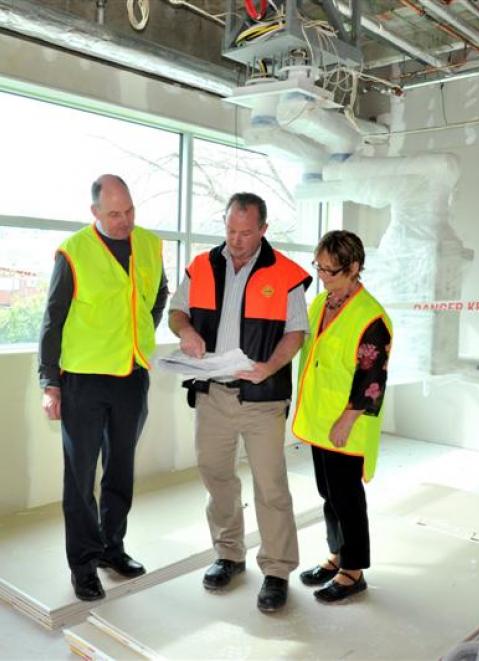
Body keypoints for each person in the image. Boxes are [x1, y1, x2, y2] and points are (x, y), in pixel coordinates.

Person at [168, 192, 312, 613]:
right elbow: (177, 311)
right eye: (231, 230)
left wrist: (269, 367)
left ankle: (277, 569)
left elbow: (296, 332)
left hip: (262, 400)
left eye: (246, 232)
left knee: (270, 486)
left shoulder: (285, 274)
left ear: (263, 230)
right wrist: (187, 332)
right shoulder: (203, 265)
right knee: (216, 475)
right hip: (213, 393)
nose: (237, 239)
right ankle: (229, 554)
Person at [39, 174, 168, 602]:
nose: (124, 220)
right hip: (83, 381)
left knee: (120, 470)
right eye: (114, 213)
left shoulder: (149, 244)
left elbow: (158, 292)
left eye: (130, 210)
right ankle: (83, 564)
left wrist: (142, 330)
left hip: (132, 376)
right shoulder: (73, 252)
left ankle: (113, 549)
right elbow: (52, 320)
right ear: (94, 212)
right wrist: (49, 383)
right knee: (80, 478)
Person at [292, 230, 392, 603]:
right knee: (328, 494)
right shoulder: (322, 302)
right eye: (318, 266)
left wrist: (346, 419)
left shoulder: (371, 318)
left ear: (354, 268)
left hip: (346, 424)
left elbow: (372, 379)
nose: (322, 275)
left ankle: (354, 570)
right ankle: (336, 555)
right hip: (320, 419)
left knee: (347, 497)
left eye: (330, 270)